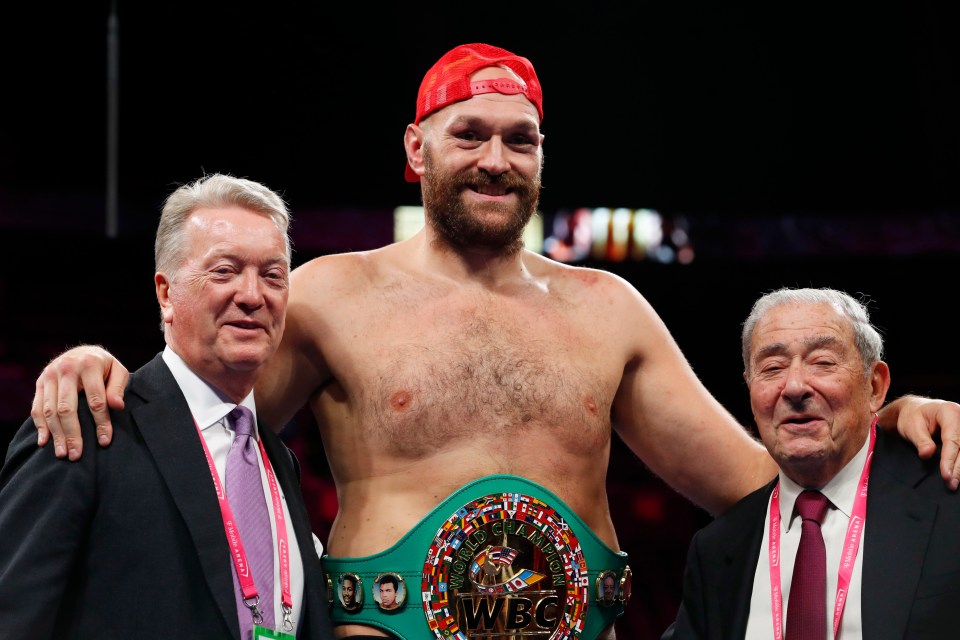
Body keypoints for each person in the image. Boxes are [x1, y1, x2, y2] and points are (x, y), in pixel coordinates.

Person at [27, 44, 960, 640]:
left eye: (521, 139)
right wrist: (100, 366)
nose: (496, 159)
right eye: (468, 133)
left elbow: (765, 484)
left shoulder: (610, 308)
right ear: (415, 150)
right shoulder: (326, 297)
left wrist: (888, 427)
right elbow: (194, 439)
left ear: (543, 157)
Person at [0, 174, 335, 638]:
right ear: (165, 293)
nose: (253, 295)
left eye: (273, 275)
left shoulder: (279, 462)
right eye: (224, 270)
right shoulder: (89, 425)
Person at [662, 287, 960, 639]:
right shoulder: (717, 551)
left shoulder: (948, 506)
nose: (794, 386)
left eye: (822, 362)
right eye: (772, 368)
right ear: (751, 392)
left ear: (875, 386)